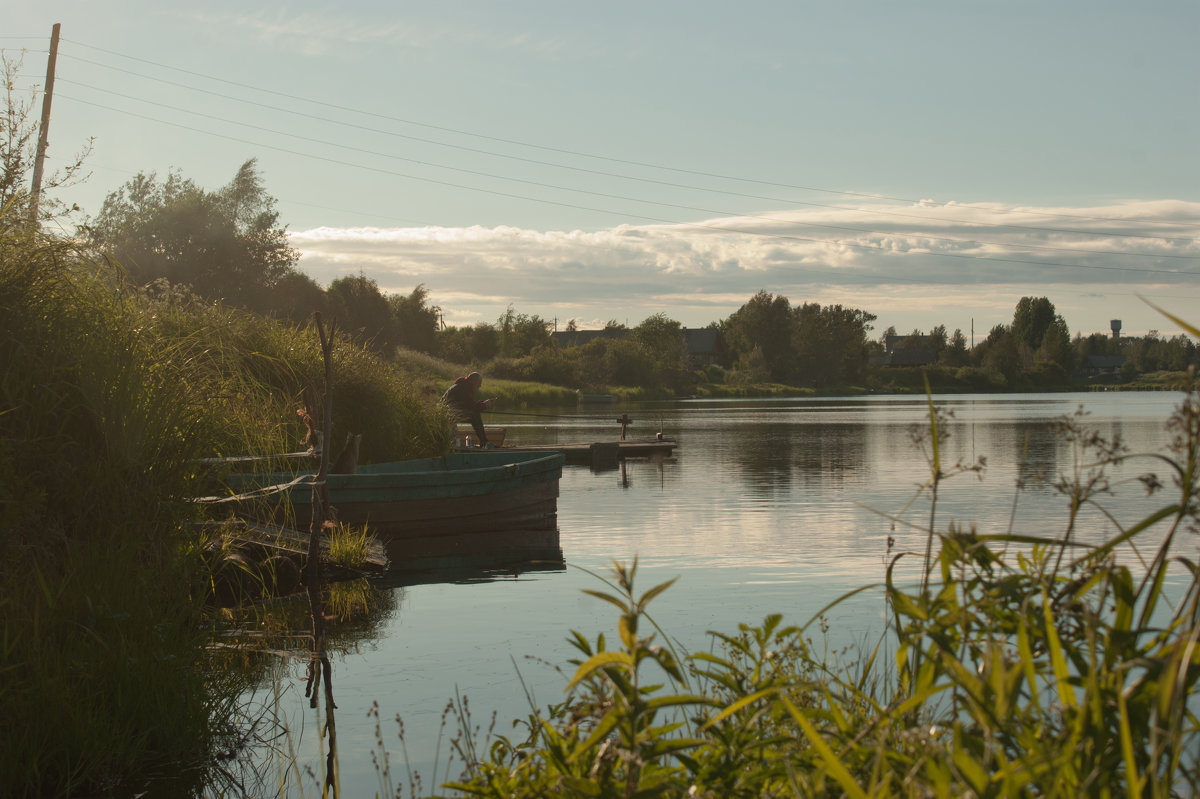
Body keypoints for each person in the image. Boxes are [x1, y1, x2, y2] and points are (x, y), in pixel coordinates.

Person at [442, 372, 496, 448]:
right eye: (479, 383)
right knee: (474, 415)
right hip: (447, 414)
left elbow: (469, 404)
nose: (480, 385)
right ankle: (484, 442)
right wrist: (485, 405)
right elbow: (472, 407)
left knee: (474, 414)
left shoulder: (464, 386)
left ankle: (484, 441)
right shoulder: (463, 388)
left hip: (451, 412)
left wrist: (483, 403)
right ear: (473, 381)